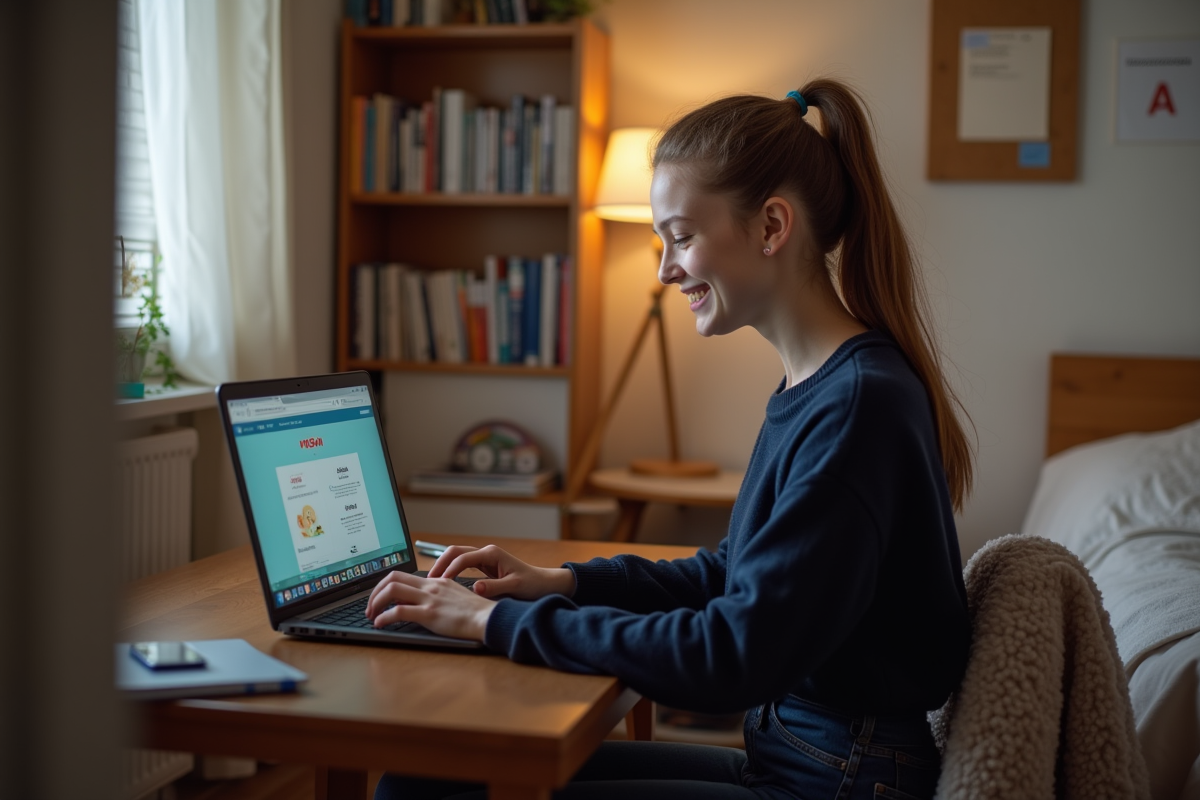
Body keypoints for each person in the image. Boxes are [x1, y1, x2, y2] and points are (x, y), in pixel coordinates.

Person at [368, 78, 974, 800]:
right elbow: (734, 575)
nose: (663, 268)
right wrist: (563, 582)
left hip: (834, 780)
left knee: (428, 793)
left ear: (772, 226)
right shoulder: (824, 386)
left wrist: (500, 622)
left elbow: (732, 653)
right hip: (802, 757)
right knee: (429, 775)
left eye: (681, 237)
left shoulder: (856, 406)